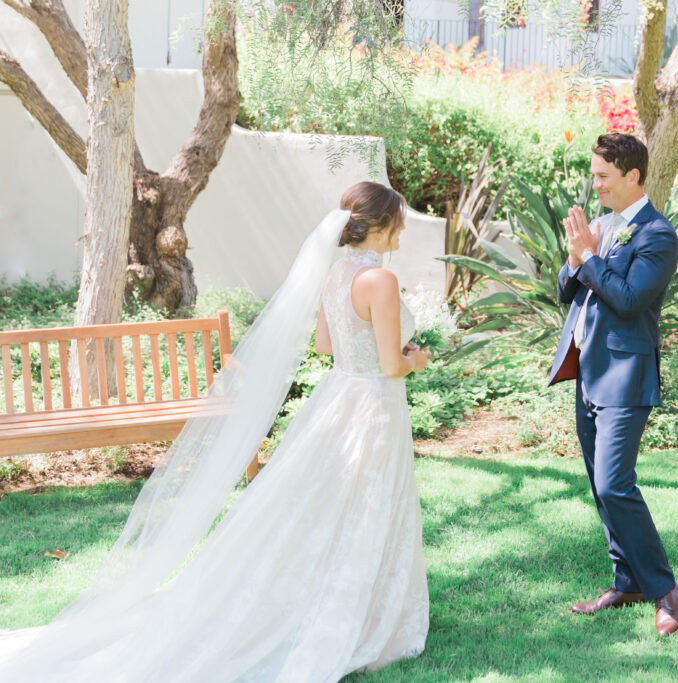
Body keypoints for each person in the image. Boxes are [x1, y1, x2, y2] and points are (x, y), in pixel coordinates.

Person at [0, 182, 432, 681]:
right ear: (379, 224)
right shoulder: (379, 281)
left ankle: (334, 600)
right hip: (371, 405)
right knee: (367, 504)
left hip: (337, 399)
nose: (402, 228)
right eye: (399, 220)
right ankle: (362, 614)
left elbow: (324, 345)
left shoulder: (338, 273)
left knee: (328, 503)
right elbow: (389, 365)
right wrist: (415, 359)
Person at [548, 133, 678, 636]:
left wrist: (590, 259)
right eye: (594, 175)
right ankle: (626, 581)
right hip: (587, 371)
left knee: (614, 483)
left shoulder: (656, 234)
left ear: (633, 177)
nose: (596, 185)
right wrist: (576, 257)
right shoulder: (600, 226)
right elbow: (565, 293)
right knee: (599, 486)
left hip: (626, 376)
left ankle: (666, 591)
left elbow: (629, 301)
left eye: (603, 176)